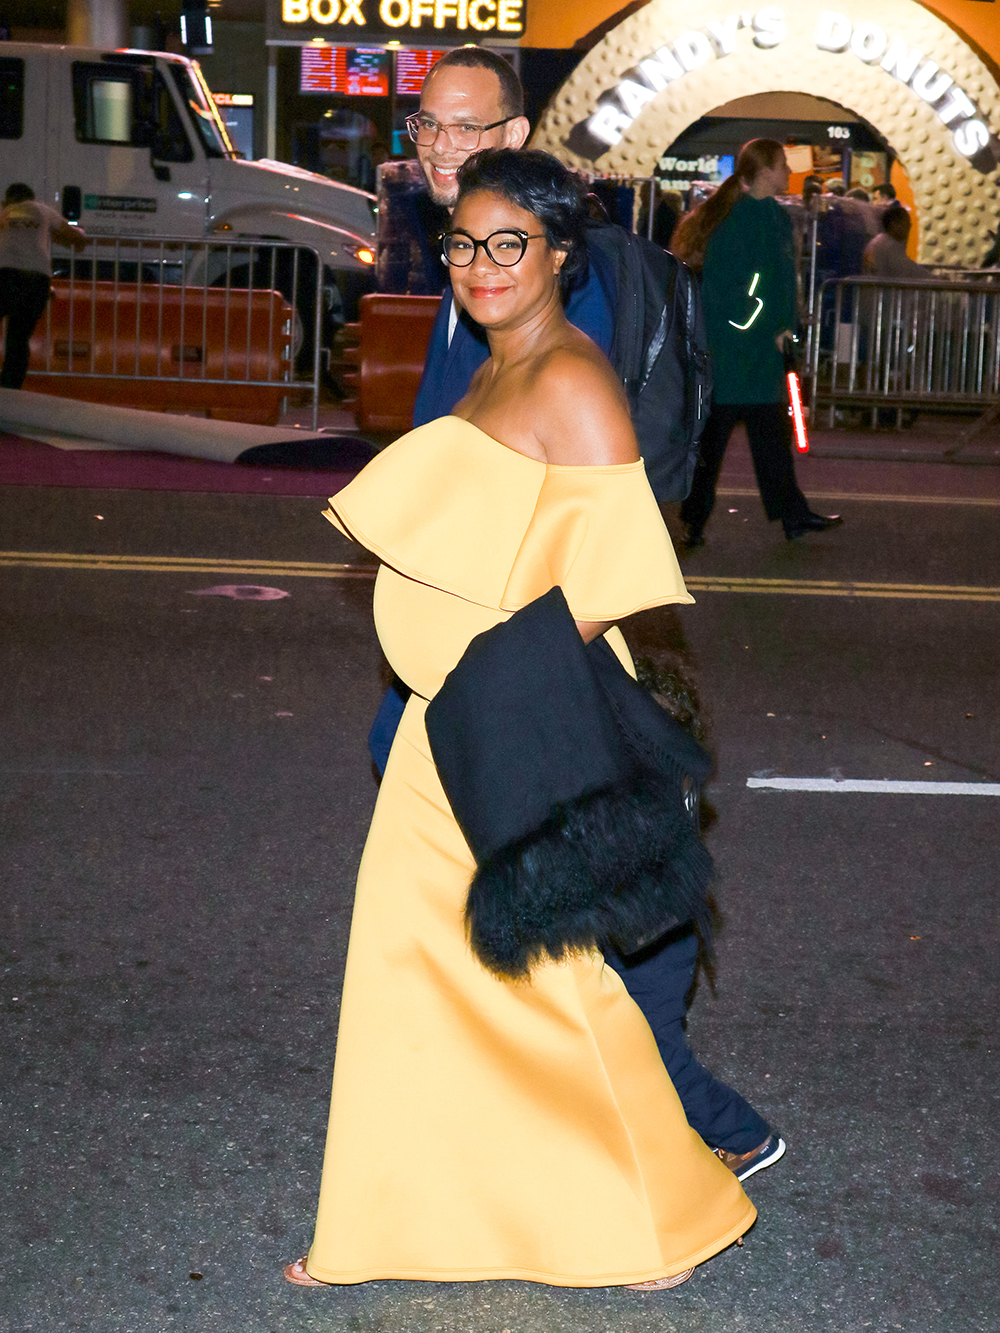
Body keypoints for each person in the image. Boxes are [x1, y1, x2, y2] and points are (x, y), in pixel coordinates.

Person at [286, 148, 757, 1293]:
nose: (482, 266)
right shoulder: (499, 365)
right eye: (464, 244)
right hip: (448, 719)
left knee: (558, 976)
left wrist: (498, 677)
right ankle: (379, 1223)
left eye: (510, 244)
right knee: (410, 971)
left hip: (503, 716)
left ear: (559, 255)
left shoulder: (571, 380)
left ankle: (669, 1213)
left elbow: (616, 572)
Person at [371, 47, 784, 1183]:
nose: (440, 149)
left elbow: (605, 531)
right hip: (474, 661)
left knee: (580, 917)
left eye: (465, 129)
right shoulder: (470, 272)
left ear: (514, 137)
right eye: (426, 130)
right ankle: (501, 1151)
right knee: (501, 922)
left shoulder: (549, 285)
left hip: (544, 660)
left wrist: (511, 680)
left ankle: (691, 1126)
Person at [672, 140, 843, 545]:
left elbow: (773, 281)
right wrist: (769, 323)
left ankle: (788, 514)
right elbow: (738, 287)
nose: (788, 172)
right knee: (719, 446)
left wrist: (784, 323)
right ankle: (693, 521)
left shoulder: (767, 216)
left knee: (762, 441)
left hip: (756, 351)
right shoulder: (741, 220)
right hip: (737, 352)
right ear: (764, 169)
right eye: (783, 164)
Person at [0, 183, 86, 389]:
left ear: (8, 199)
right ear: (31, 198)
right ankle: (11, 388)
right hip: (36, 280)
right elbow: (73, 235)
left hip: (6, 276)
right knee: (19, 336)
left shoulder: (5, 212)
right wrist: (78, 238)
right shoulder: (42, 209)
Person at [862, 203, 926, 279]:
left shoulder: (879, 240)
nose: (909, 228)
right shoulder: (890, 245)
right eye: (906, 223)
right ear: (894, 225)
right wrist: (935, 278)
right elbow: (909, 270)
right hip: (882, 289)